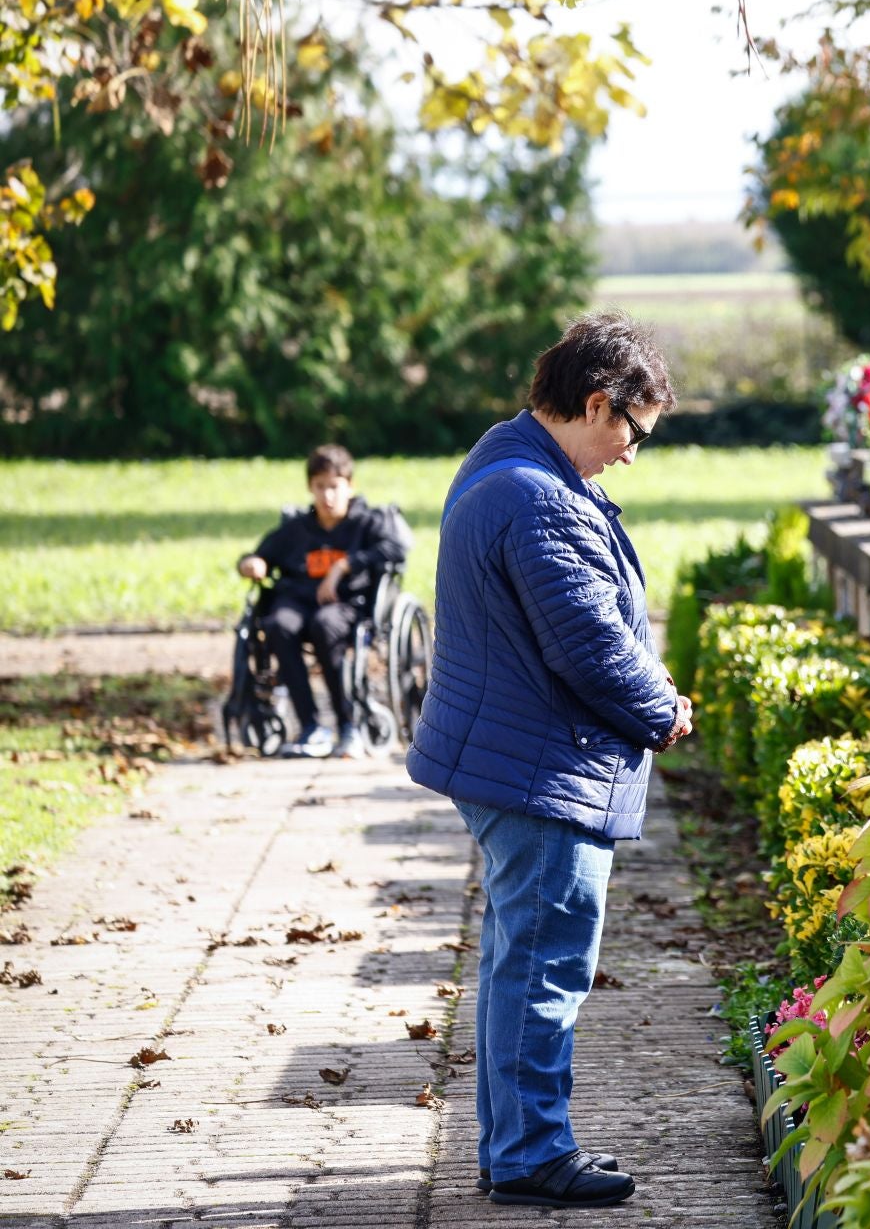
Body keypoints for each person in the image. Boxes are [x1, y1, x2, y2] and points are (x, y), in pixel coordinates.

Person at [407, 311, 692, 1210]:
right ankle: (531, 1154)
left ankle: (515, 1146)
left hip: (517, 754)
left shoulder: (510, 460)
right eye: (632, 433)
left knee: (518, 959)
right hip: (540, 767)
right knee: (543, 966)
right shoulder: (534, 494)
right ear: (596, 402)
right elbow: (588, 646)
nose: (632, 454)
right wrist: (663, 709)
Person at [238, 444, 413, 759]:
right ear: (310, 488)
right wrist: (253, 564)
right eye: (320, 487)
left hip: (348, 605)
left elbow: (397, 548)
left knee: (325, 625)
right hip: (297, 601)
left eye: (334, 486)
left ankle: (348, 723)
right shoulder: (297, 529)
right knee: (278, 624)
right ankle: (311, 726)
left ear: (349, 486)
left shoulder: (367, 522)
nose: (327, 495)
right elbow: (259, 555)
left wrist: (345, 565)